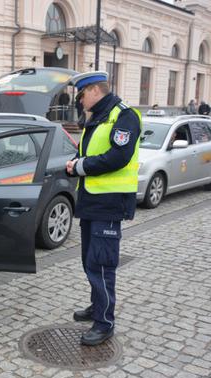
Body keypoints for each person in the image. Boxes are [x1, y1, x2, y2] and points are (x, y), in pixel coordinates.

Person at [65, 71, 141, 346]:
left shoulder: (123, 116)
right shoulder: (96, 118)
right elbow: (86, 152)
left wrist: (82, 166)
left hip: (109, 205)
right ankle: (97, 307)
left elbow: (118, 156)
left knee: (101, 265)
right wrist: (74, 164)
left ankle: (104, 322)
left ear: (95, 91)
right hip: (92, 203)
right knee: (89, 261)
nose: (79, 99)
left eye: (82, 94)